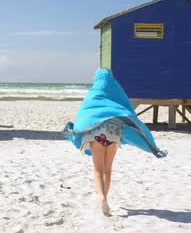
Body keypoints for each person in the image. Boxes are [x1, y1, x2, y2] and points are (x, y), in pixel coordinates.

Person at [64, 68, 167, 216]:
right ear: (111, 77)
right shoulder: (116, 91)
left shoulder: (93, 93)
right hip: (114, 133)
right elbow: (126, 107)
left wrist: (78, 129)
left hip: (96, 134)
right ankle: (106, 197)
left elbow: (84, 113)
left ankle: (101, 198)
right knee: (107, 169)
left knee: (98, 169)